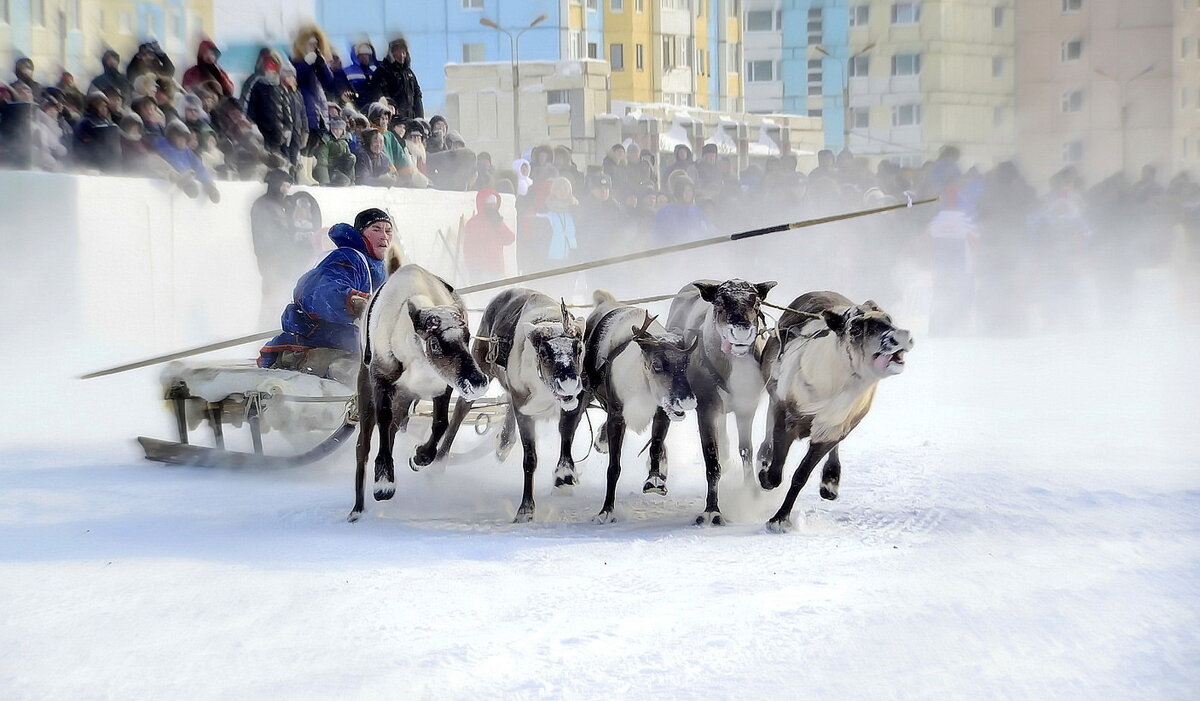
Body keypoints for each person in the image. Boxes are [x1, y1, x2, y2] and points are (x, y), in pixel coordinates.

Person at [257, 208, 393, 382]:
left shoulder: (380, 268)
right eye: (376, 229)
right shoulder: (348, 257)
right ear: (361, 234)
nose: (384, 236)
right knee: (367, 378)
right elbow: (318, 291)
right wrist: (352, 301)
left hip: (351, 347)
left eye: (388, 231)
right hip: (314, 346)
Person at [155, 120, 221, 202]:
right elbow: (173, 161)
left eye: (185, 138)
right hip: (171, 182)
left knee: (205, 180)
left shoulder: (186, 150)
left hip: (188, 178)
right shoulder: (164, 145)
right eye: (180, 137)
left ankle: (210, 189)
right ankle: (187, 184)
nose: (183, 141)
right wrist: (188, 176)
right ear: (171, 137)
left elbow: (199, 166)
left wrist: (209, 184)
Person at [462, 189, 515, 282]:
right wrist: (471, 267)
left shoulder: (496, 221)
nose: (492, 206)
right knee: (481, 295)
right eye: (489, 204)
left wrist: (499, 224)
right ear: (482, 204)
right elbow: (467, 248)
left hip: (495, 268)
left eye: (494, 203)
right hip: (479, 270)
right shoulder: (473, 223)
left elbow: (509, 239)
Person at [374, 37, 423, 121]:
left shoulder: (409, 73)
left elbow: (417, 94)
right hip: (393, 118)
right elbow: (379, 92)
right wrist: (389, 106)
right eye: (398, 52)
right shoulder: (383, 71)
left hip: (410, 118)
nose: (402, 55)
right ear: (391, 53)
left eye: (404, 52)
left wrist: (420, 117)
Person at [72, 91, 121, 172]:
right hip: (92, 169)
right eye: (100, 105)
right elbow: (83, 148)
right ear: (92, 106)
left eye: (105, 106)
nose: (104, 109)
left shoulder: (110, 124)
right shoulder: (85, 124)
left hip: (111, 168)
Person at [314, 116, 356, 186]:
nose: (338, 132)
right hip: (329, 170)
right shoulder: (326, 141)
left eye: (340, 129)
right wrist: (324, 181)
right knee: (344, 181)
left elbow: (350, 163)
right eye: (335, 129)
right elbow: (322, 162)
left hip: (339, 169)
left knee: (351, 157)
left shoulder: (344, 142)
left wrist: (352, 180)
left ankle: (349, 180)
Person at [345, 41, 379, 107]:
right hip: (355, 106)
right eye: (361, 55)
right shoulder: (348, 71)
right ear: (356, 56)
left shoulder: (372, 73)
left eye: (367, 55)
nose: (364, 57)